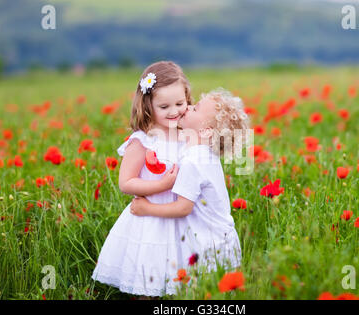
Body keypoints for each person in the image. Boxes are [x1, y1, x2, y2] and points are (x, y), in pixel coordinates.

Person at [91, 61, 193, 298]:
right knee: (148, 276)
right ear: (147, 106)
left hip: (183, 214)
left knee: (183, 278)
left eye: (180, 103)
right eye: (164, 106)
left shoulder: (188, 135)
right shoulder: (143, 140)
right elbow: (126, 182)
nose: (174, 111)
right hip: (150, 217)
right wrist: (161, 185)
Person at [130, 88, 249, 276]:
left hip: (211, 245)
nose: (188, 108)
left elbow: (183, 207)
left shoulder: (193, 161)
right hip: (221, 239)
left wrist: (146, 208)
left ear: (206, 131)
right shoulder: (204, 155)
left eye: (196, 109)